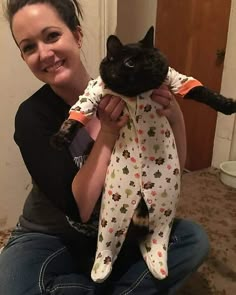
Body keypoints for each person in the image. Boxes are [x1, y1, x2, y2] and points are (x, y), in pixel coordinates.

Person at [0, 1, 209, 294]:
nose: (44, 54)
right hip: (51, 236)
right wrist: (108, 132)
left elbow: (170, 176)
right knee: (13, 285)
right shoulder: (33, 116)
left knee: (192, 239)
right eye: (29, 47)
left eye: (52, 36)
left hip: (121, 232)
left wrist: (175, 117)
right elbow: (79, 209)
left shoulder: (132, 92)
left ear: (77, 35)